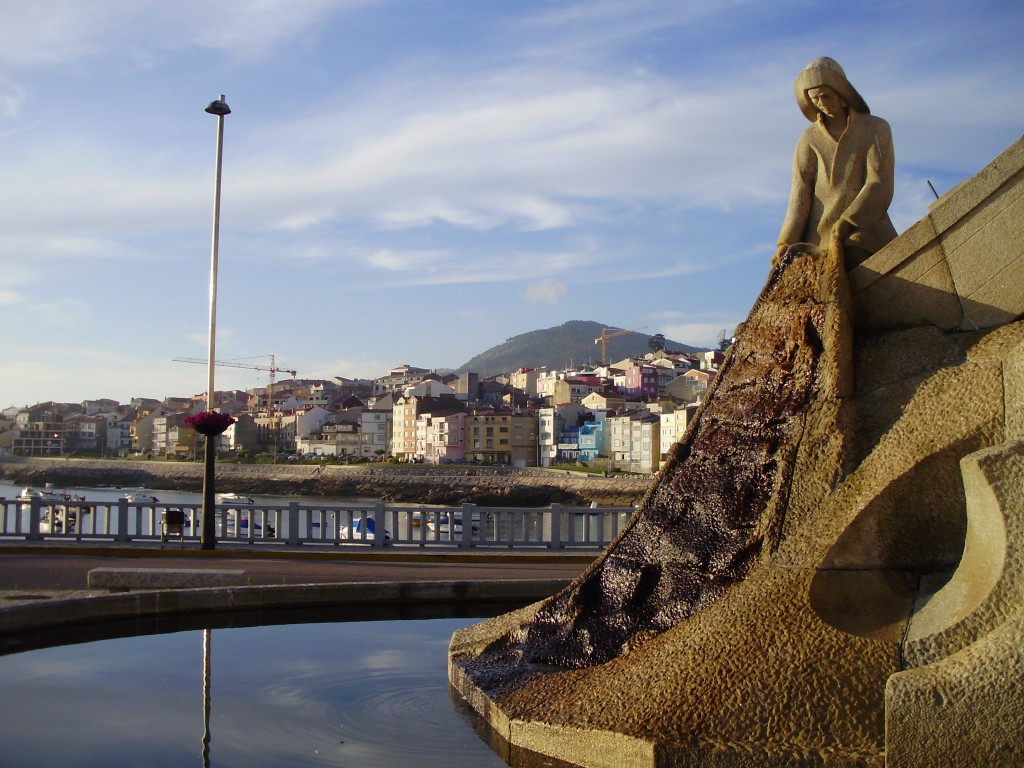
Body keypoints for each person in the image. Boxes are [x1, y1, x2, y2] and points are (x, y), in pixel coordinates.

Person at [777, 57, 897, 267]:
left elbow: (879, 183)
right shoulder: (809, 139)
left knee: (858, 251)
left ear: (842, 94)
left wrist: (848, 222)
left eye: (826, 96)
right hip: (819, 240)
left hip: (864, 229)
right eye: (815, 100)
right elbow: (800, 194)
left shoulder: (875, 128)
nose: (822, 104)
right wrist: (785, 243)